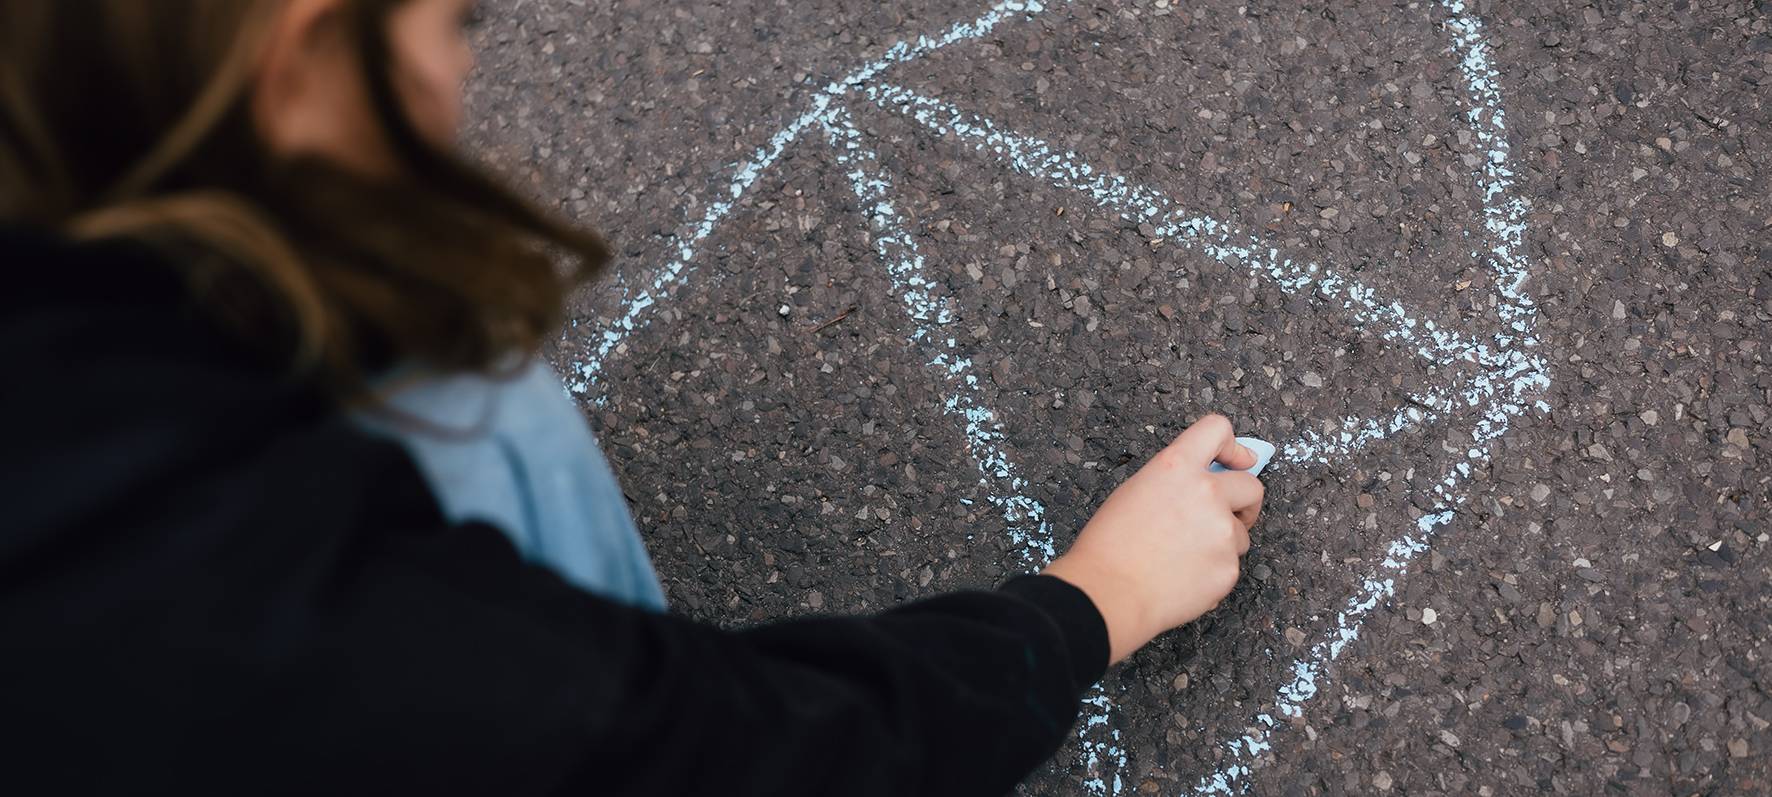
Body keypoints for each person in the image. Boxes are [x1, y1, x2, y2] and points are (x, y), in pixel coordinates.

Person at [0, 0, 1266, 793]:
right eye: (460, 22)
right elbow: (748, 756)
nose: (461, 71)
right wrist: (1094, 602)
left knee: (444, 361)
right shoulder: (265, 618)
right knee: (462, 391)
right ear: (299, 56)